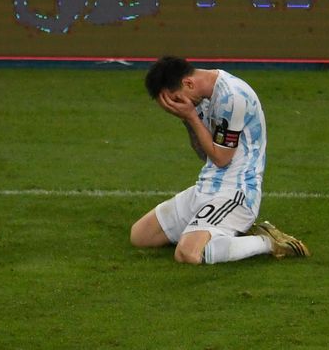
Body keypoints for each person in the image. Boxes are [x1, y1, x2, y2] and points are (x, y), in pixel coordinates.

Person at [130, 56, 309, 264]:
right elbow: (205, 154)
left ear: (188, 83)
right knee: (141, 235)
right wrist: (187, 118)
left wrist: (191, 116)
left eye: (176, 99)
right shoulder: (199, 97)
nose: (176, 105)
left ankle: (268, 241)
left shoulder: (232, 98)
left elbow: (221, 158)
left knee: (187, 254)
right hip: (206, 187)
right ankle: (215, 232)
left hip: (236, 192)